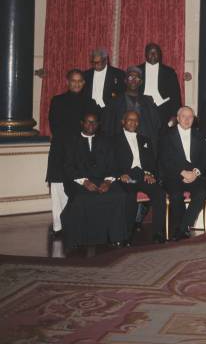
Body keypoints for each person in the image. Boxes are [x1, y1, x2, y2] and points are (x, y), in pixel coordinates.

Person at [61, 112, 128, 250]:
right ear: (82, 123)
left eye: (94, 122)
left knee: (119, 195)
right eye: (88, 122)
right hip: (78, 181)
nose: (91, 125)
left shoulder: (106, 141)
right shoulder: (71, 141)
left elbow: (113, 165)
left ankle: (115, 237)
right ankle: (78, 239)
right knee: (80, 198)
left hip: (103, 180)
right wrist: (85, 182)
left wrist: (108, 182)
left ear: (98, 124)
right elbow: (68, 166)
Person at [46, 69, 97, 238]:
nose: (76, 84)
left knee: (78, 188)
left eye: (80, 81)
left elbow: (93, 128)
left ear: (84, 83)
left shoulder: (90, 102)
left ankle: (76, 224)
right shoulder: (57, 100)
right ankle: (58, 227)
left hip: (80, 151)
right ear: (67, 82)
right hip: (60, 150)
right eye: (73, 81)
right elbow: (55, 126)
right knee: (58, 189)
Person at [114, 111, 167, 244]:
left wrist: (149, 173)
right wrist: (120, 174)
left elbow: (151, 161)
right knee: (130, 196)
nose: (133, 122)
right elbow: (110, 162)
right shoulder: (114, 140)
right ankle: (126, 236)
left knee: (159, 193)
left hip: (142, 175)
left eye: (136, 120)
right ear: (123, 122)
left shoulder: (145, 139)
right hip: (126, 176)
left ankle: (157, 234)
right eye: (130, 120)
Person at [159, 107, 206, 240]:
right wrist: (182, 173)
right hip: (174, 174)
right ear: (178, 118)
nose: (187, 120)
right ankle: (182, 228)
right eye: (184, 116)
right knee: (176, 195)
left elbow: (205, 158)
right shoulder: (167, 136)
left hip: (195, 174)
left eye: (190, 117)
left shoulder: (199, 135)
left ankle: (182, 228)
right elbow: (165, 160)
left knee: (202, 193)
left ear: (194, 119)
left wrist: (195, 173)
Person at [103, 67, 161, 154]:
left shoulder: (148, 101)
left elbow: (156, 124)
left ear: (140, 82)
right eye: (130, 78)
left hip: (143, 146)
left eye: (136, 78)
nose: (133, 80)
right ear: (125, 80)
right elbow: (108, 127)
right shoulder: (114, 102)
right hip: (120, 147)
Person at [138, 42, 181, 126]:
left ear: (160, 54)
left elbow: (175, 95)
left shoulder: (169, 72)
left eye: (156, 52)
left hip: (162, 110)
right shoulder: (137, 71)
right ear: (145, 54)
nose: (153, 55)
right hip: (142, 110)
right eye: (150, 52)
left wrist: (175, 115)